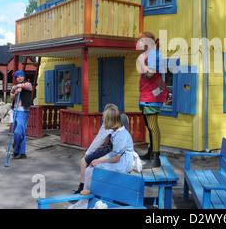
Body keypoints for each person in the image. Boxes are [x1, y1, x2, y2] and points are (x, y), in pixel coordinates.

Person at [69, 105, 135, 209]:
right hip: (119, 159)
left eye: (104, 119)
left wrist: (99, 162)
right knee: (90, 168)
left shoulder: (120, 136)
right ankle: (86, 198)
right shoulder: (116, 132)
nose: (102, 121)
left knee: (93, 170)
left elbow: (116, 158)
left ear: (110, 121)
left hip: (123, 163)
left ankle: (89, 199)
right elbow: (113, 153)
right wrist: (98, 160)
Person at [136, 31, 168, 168]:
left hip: (151, 96)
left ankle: (155, 158)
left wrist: (141, 63)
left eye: (141, 41)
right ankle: (151, 152)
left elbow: (150, 74)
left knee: (153, 127)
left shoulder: (153, 54)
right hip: (147, 95)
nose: (139, 44)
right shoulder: (150, 54)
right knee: (150, 126)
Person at [73, 103, 118, 194]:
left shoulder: (108, 123)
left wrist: (87, 153)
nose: (103, 118)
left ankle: (82, 187)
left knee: (84, 161)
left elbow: (99, 140)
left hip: (111, 151)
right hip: (117, 151)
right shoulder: (121, 121)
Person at [9, 70, 32, 159]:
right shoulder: (14, 87)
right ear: (16, 78)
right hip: (14, 111)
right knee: (20, 132)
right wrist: (15, 92)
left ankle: (15, 147)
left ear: (24, 77)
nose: (19, 78)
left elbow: (27, 86)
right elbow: (11, 97)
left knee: (18, 132)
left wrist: (18, 86)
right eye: (18, 77)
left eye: (21, 76)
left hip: (23, 110)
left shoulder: (28, 85)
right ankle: (21, 153)